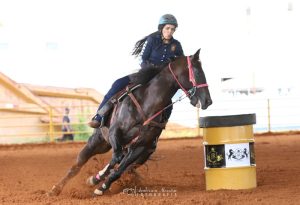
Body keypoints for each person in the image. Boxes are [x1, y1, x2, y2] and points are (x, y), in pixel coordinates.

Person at [89, 14, 184, 128]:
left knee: (168, 104)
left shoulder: (176, 45)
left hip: (163, 80)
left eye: (172, 29)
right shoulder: (152, 40)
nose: (170, 31)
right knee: (118, 84)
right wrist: (151, 69)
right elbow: (142, 59)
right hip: (146, 73)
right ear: (161, 28)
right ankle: (98, 117)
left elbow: (181, 63)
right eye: (167, 28)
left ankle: (159, 126)